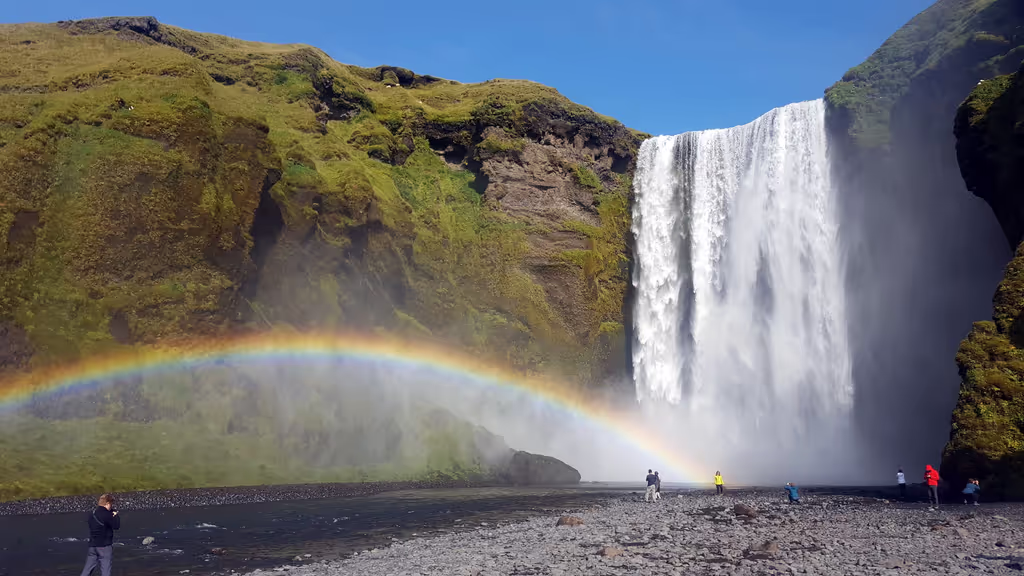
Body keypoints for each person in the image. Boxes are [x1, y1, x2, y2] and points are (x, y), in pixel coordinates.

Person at [80, 494, 120, 576]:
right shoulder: (107, 514)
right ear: (108, 503)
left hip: (92, 545)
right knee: (105, 570)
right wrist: (115, 515)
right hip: (104, 546)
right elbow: (116, 526)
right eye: (111, 504)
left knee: (87, 570)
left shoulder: (92, 514)